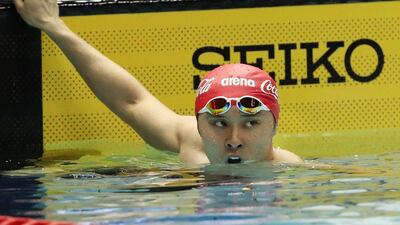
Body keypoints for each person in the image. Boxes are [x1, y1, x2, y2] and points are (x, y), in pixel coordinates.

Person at [13, 0, 303, 165]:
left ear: (275, 125)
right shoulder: (192, 141)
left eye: (251, 123)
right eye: (218, 123)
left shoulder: (288, 171)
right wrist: (52, 25)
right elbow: (131, 101)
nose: (234, 140)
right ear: (198, 123)